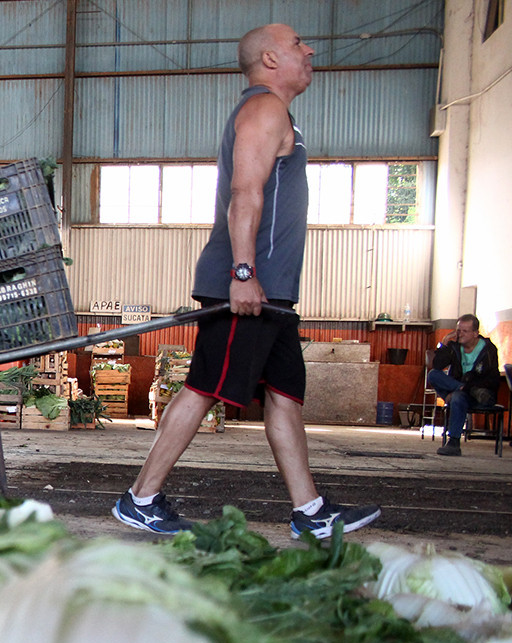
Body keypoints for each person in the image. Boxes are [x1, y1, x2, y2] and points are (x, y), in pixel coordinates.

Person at [112, 23, 381, 541]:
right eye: (299, 44)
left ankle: (310, 510)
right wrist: (242, 273)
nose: (310, 50)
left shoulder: (277, 113)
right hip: (247, 284)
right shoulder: (264, 109)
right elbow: (245, 193)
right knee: (204, 386)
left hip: (270, 289)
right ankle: (140, 498)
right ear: (270, 59)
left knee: (284, 394)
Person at [428, 314, 501, 456]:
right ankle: (454, 444)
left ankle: (453, 441)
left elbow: (492, 379)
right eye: (458, 330)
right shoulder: (455, 347)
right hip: (463, 392)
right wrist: (445, 342)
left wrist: (469, 385)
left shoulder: (488, 350)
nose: (460, 334)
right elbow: (437, 365)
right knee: (433, 375)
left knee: (456, 397)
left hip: (482, 395)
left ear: (475, 333)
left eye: (464, 331)